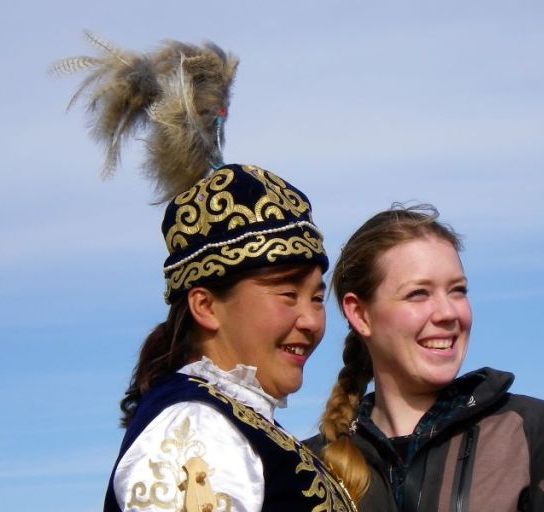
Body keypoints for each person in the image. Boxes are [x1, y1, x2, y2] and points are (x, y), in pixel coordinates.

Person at [54, 33, 357, 512]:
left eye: (317, 297)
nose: (311, 320)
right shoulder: (194, 428)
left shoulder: (235, 424)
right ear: (206, 305)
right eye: (287, 294)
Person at [308, 205, 544, 512]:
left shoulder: (529, 433)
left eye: (458, 291)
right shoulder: (305, 466)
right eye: (418, 293)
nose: (448, 313)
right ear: (360, 314)